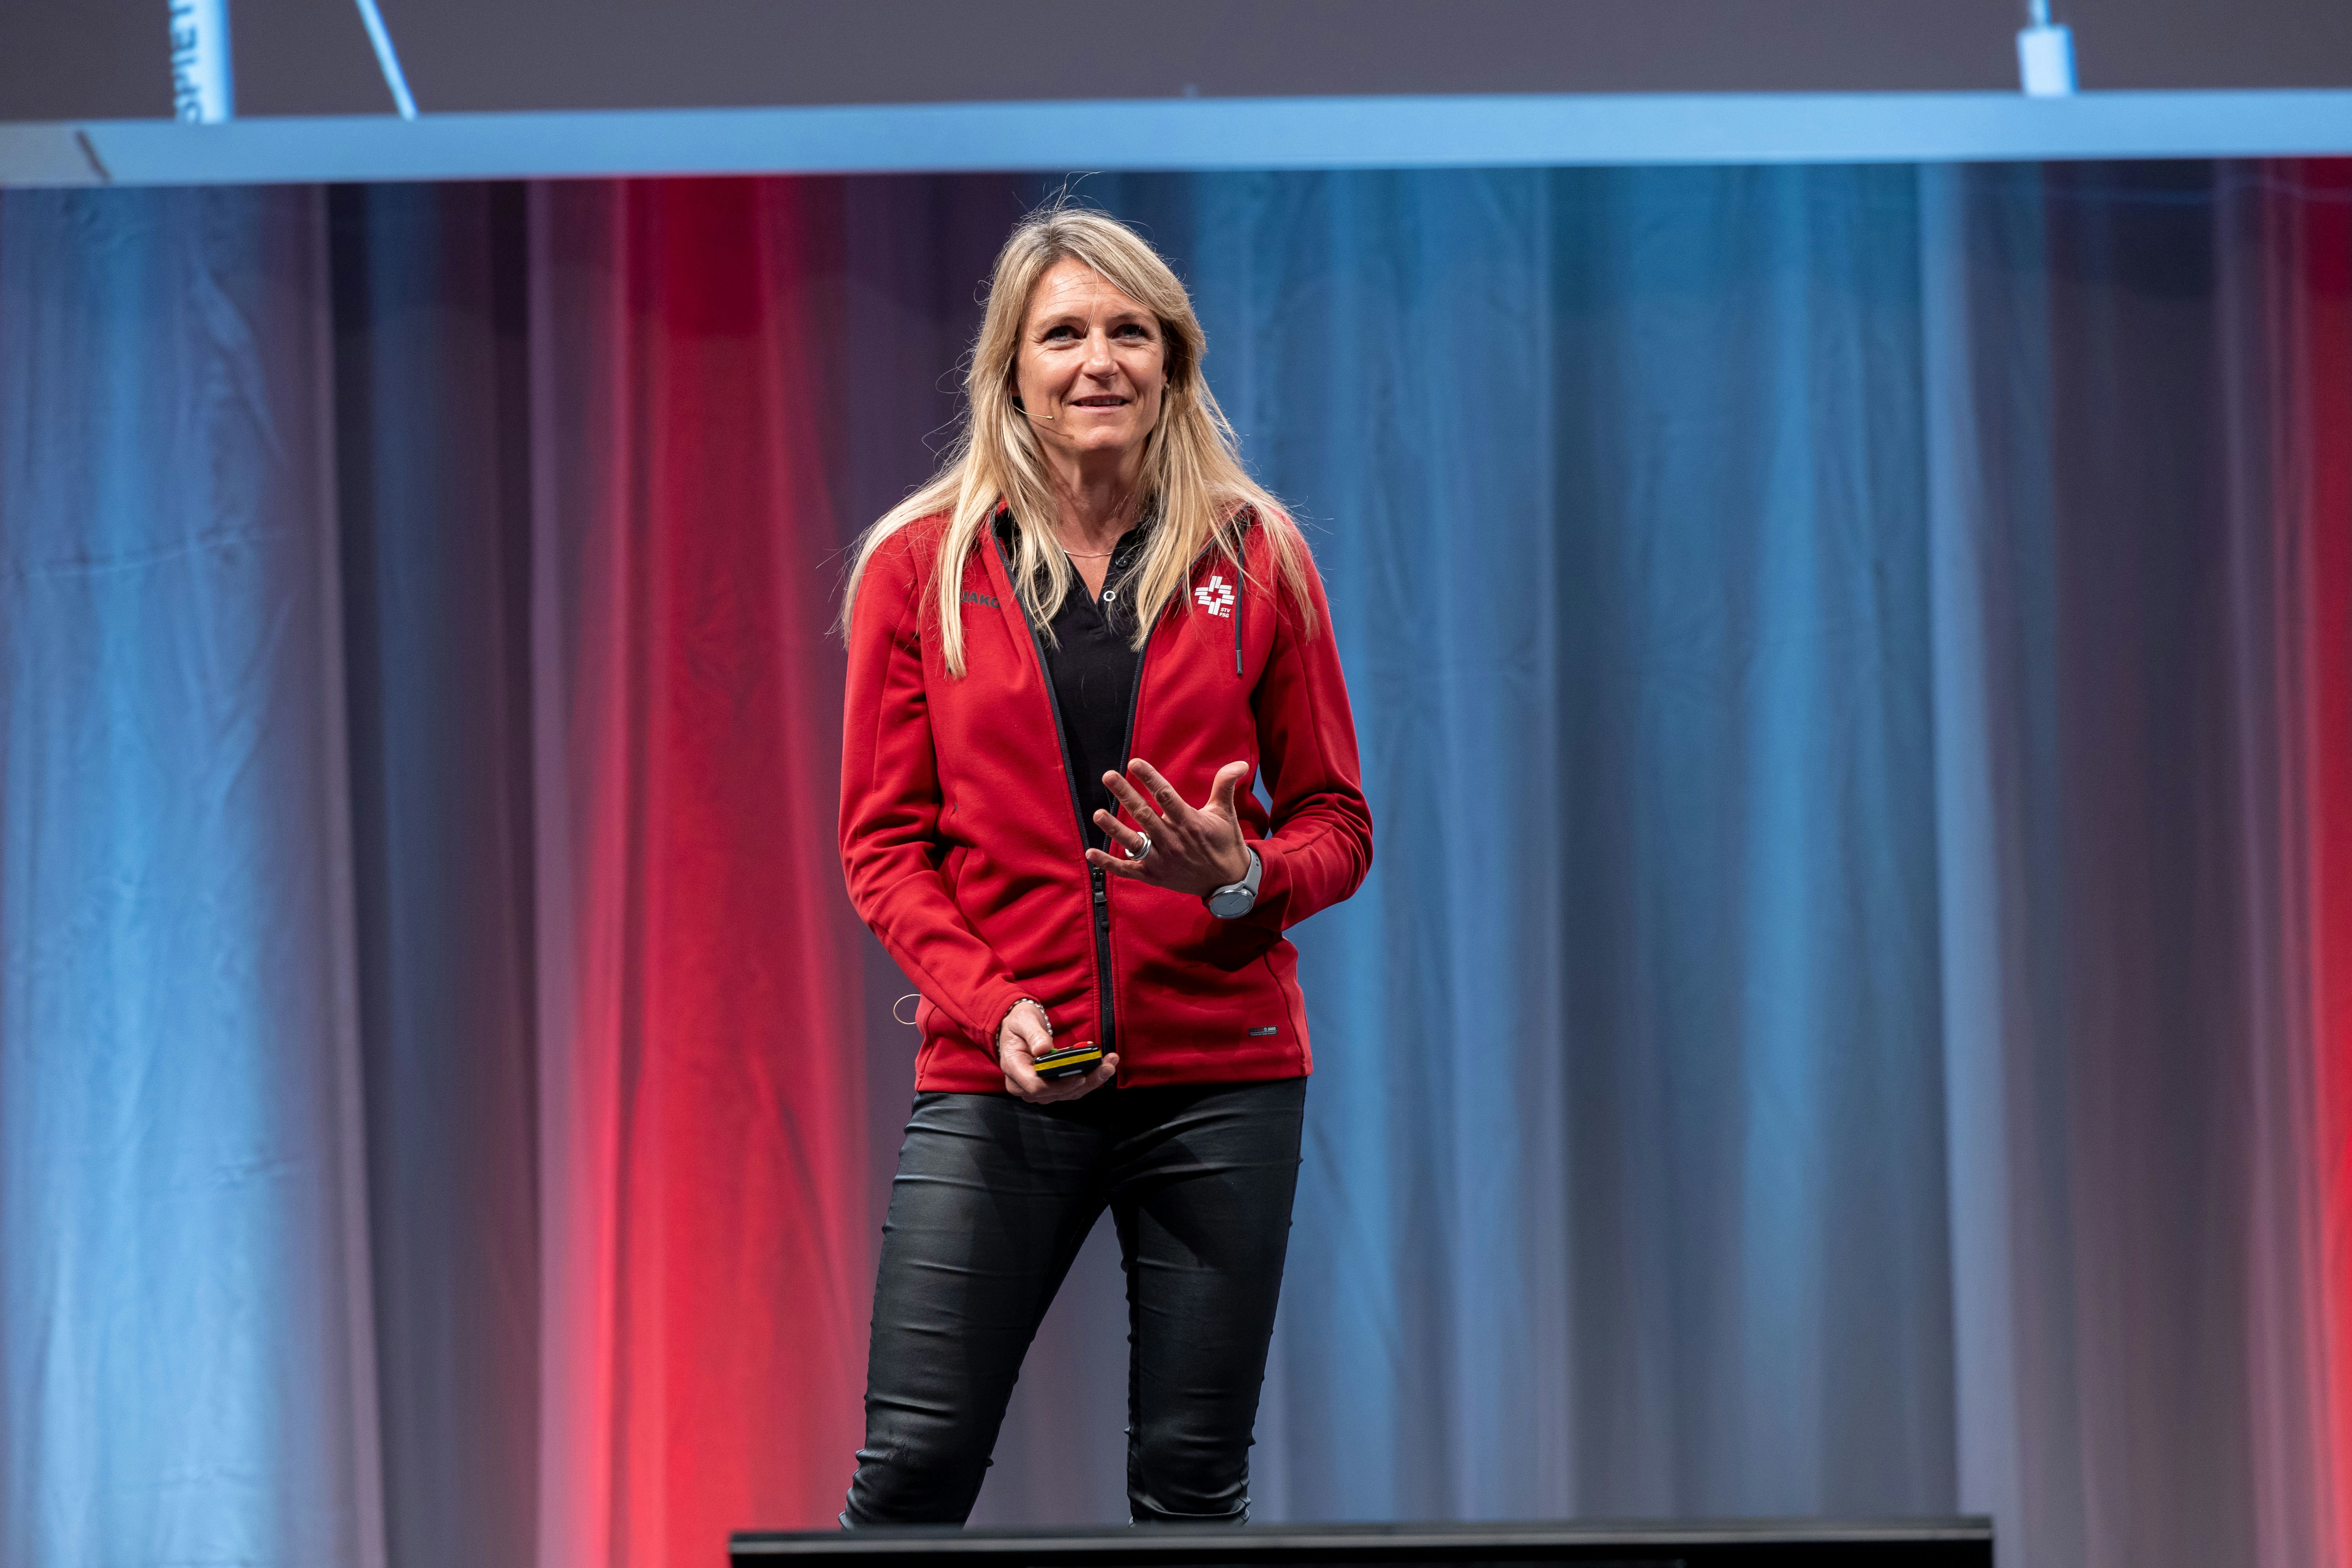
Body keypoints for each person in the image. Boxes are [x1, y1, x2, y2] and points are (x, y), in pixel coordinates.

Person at [835, 202, 1373, 1527]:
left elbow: (1339, 823)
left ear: (1173, 360)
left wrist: (1239, 879)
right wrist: (992, 1003)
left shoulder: (1259, 558)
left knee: (1192, 1493)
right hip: (1001, 1069)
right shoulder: (921, 566)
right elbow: (885, 847)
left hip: (1225, 1085)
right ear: (1009, 367)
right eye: (1063, 333)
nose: (1099, 361)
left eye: (1130, 331)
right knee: (910, 1474)